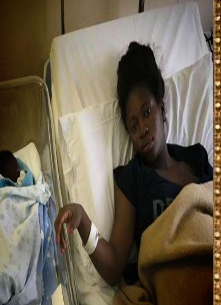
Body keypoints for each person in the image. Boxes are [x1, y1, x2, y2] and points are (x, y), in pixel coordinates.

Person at [54, 41, 212, 288]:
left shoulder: (197, 158)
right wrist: (83, 220)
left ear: (162, 108)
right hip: (176, 286)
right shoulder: (132, 178)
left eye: (147, 112)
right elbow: (113, 266)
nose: (142, 130)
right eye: (133, 125)